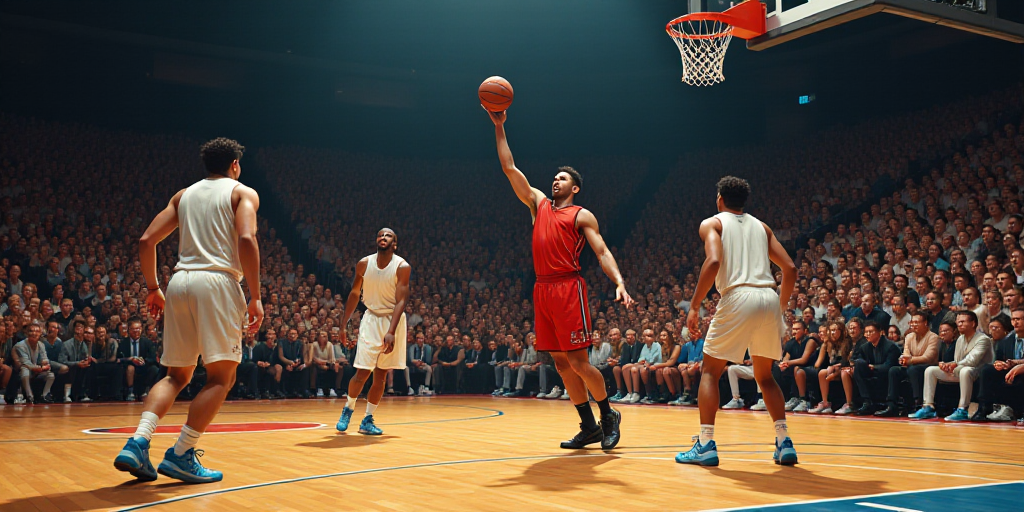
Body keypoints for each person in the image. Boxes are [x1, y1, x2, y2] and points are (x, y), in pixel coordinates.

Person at [114, 138, 264, 484]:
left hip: (179, 282)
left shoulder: (183, 195)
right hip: (218, 282)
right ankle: (182, 452)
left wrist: (153, 288)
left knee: (176, 376)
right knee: (221, 378)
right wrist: (255, 296)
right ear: (235, 164)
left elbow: (146, 240)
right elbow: (246, 239)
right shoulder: (243, 193)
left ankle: (138, 442)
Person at [487, 108, 633, 450]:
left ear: (575, 187)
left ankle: (608, 415)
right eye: (554, 177)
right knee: (561, 363)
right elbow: (509, 167)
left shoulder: (581, 215)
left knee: (579, 362)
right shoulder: (538, 204)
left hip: (568, 287)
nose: (555, 181)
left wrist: (619, 282)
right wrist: (499, 126)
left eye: (562, 178)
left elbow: (602, 251)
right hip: (542, 289)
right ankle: (588, 426)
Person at [677, 176, 798, 467]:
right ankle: (784, 442)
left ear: (720, 198)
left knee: (710, 371)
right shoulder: (762, 227)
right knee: (765, 376)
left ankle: (705, 443)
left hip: (738, 295)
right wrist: (779, 307)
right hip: (768, 296)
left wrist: (695, 306)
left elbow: (713, 261)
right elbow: (790, 268)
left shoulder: (713, 223)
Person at [335, 228, 411, 436]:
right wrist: (343, 324)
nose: (383, 237)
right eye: (380, 235)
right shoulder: (364, 263)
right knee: (362, 371)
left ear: (394, 244)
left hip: (393, 319)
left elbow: (401, 301)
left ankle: (367, 419)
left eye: (388, 236)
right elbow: (354, 293)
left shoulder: (402, 266)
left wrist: (391, 331)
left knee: (381, 375)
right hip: (371, 318)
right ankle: (348, 409)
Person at [911, 311, 994, 421]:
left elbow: (972, 361)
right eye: (958, 322)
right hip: (961, 370)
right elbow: (957, 360)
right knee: (930, 370)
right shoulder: (960, 339)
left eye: (962, 322)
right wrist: (947, 365)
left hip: (979, 373)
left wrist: (954, 364)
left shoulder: (983, 339)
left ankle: (962, 409)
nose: (959, 324)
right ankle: (928, 407)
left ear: (973, 323)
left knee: (965, 371)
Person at [874, 312, 939, 417]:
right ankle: (892, 405)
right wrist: (903, 359)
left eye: (917, 322)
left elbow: (928, 357)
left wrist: (910, 360)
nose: (913, 325)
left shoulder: (933, 337)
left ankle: (918, 405)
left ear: (925, 323)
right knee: (894, 370)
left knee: (913, 369)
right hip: (911, 366)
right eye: (912, 322)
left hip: (928, 367)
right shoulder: (909, 336)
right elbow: (906, 353)